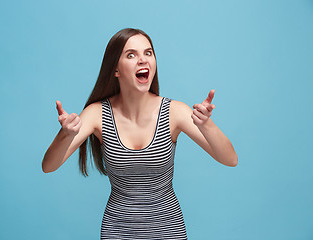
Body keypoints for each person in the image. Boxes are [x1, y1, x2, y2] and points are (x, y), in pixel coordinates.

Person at [42, 28, 238, 239]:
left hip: (168, 232)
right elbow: (48, 166)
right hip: (117, 232)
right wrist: (65, 134)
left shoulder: (174, 112)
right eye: (131, 55)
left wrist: (207, 125)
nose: (143, 60)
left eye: (148, 53)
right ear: (115, 69)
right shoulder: (97, 114)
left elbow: (230, 159)